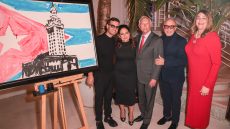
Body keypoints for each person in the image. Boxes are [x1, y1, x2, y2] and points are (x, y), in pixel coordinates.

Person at [185, 10, 221, 129]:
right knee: (193, 108)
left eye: (203, 18)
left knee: (201, 111)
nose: (200, 20)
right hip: (193, 79)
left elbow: (216, 64)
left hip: (203, 81)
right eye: (198, 18)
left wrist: (208, 85)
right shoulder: (194, 35)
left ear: (208, 21)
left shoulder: (212, 37)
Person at [86, 17, 120, 129]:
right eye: (112, 26)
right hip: (99, 74)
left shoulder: (115, 41)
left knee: (109, 97)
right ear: (107, 26)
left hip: (111, 74)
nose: (115, 28)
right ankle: (98, 120)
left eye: (117, 26)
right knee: (99, 97)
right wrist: (90, 75)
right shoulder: (98, 40)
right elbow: (90, 58)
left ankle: (108, 116)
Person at [155, 18, 187, 129]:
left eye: (171, 26)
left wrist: (166, 62)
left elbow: (184, 61)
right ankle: (167, 115)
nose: (168, 29)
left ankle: (175, 121)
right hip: (163, 76)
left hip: (176, 77)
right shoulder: (159, 39)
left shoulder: (182, 41)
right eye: (166, 26)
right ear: (163, 27)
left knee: (175, 100)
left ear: (175, 27)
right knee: (166, 98)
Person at [134, 16, 164, 129]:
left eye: (147, 24)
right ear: (139, 26)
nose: (145, 26)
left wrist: (154, 78)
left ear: (150, 25)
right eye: (142, 24)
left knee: (149, 99)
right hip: (138, 75)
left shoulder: (157, 39)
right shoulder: (137, 38)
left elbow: (159, 61)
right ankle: (143, 114)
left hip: (150, 76)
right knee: (141, 98)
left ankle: (146, 120)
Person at [114, 24, 137, 126]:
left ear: (129, 34)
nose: (124, 36)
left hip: (131, 74)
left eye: (126, 33)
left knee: (131, 94)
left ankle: (131, 113)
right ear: (119, 35)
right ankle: (122, 110)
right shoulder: (115, 45)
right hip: (118, 74)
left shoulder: (135, 44)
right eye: (122, 34)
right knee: (120, 93)